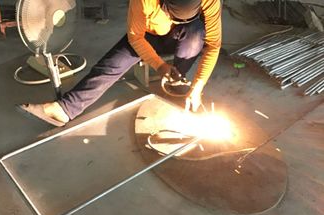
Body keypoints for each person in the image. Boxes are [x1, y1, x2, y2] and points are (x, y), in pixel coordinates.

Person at [19, 0, 222, 127]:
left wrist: (198, 87)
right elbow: (135, 38)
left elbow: (213, 45)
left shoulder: (210, 2)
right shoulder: (145, 1)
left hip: (188, 35)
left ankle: (177, 86)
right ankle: (65, 109)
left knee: (194, 41)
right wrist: (159, 65)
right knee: (111, 64)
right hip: (149, 34)